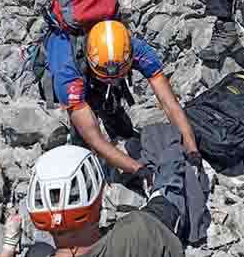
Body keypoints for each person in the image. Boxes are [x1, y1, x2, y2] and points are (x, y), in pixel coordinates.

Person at [46, 19, 200, 182]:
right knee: (83, 133)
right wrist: (137, 168)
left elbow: (170, 104)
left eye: (117, 77)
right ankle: (76, 157)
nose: (112, 81)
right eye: (107, 78)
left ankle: (120, 130)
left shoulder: (137, 49)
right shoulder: (68, 75)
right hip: (71, 69)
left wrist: (192, 150)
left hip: (97, 67)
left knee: (112, 104)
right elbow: (95, 138)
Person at [23, 145, 184, 257]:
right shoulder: (135, 230)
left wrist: (9, 244)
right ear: (100, 197)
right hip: (155, 223)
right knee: (168, 184)